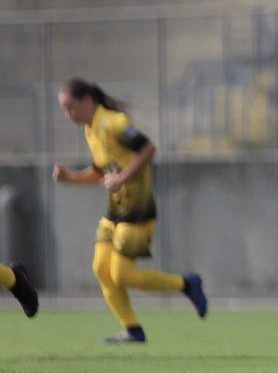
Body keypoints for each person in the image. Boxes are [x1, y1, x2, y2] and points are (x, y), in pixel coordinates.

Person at [52, 79, 207, 342]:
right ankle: (132, 329)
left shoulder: (114, 122)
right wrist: (71, 178)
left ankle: (186, 284)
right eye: (64, 109)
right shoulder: (91, 130)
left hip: (137, 210)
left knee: (122, 274)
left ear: (87, 100)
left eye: (70, 107)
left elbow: (148, 148)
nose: (68, 114)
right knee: (101, 268)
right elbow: (101, 173)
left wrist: (122, 178)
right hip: (114, 211)